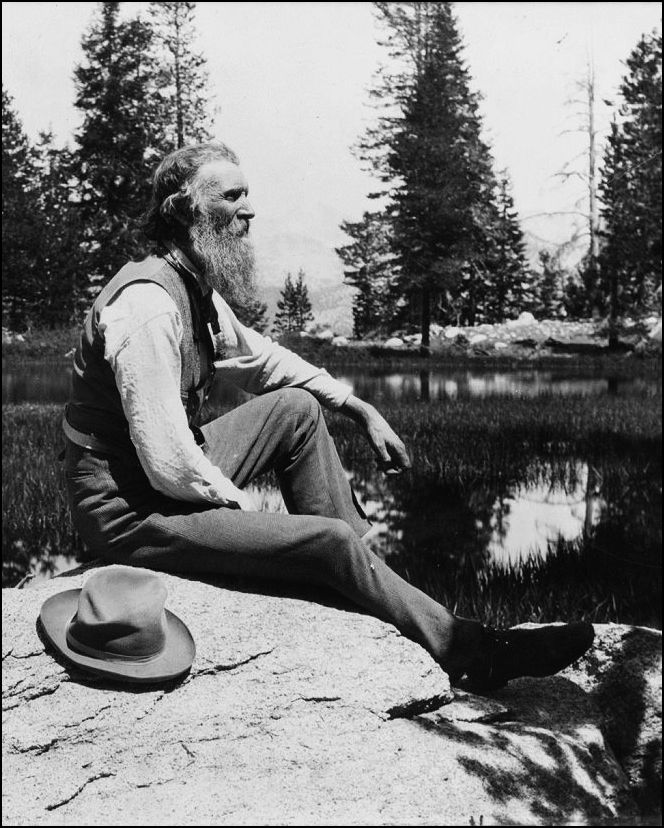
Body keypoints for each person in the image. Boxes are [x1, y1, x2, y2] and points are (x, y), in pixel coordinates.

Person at [63, 141, 594, 691]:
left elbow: (262, 362)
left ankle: (366, 574)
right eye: (232, 196)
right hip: (128, 510)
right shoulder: (147, 305)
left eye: (249, 195)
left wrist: (358, 406)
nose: (249, 210)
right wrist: (256, 522)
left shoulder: (191, 286)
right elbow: (169, 463)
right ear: (182, 210)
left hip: (160, 478)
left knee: (296, 410)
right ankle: (470, 650)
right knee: (324, 541)